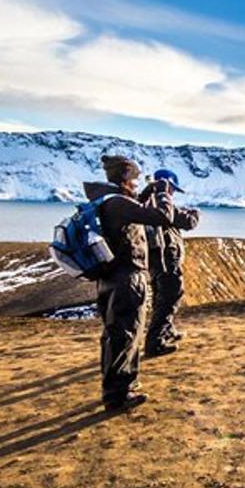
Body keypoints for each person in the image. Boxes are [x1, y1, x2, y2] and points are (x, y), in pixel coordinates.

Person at [83, 155, 175, 410]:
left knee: (115, 334)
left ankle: (115, 389)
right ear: (124, 176)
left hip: (110, 277)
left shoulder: (107, 201)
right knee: (126, 334)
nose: (136, 183)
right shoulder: (118, 204)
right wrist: (164, 194)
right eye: (134, 178)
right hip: (127, 277)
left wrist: (147, 192)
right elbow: (162, 217)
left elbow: (134, 207)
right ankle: (119, 393)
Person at [143, 168, 199, 357]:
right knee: (170, 297)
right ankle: (155, 342)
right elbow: (188, 222)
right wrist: (195, 214)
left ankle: (167, 331)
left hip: (156, 259)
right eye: (171, 188)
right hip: (166, 259)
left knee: (161, 296)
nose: (172, 192)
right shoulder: (162, 204)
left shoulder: (146, 203)